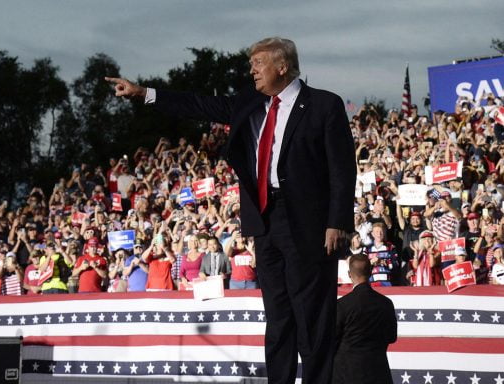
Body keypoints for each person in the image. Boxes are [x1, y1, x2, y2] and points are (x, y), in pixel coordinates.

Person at [107, 37, 355, 383]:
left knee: (312, 317)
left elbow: (343, 169)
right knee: (279, 317)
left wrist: (338, 222)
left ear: (282, 67)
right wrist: (144, 92)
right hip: (265, 221)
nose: (251, 70)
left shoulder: (324, 105)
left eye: (258, 63)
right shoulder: (250, 102)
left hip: (309, 224)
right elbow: (200, 104)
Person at [333, 253, 397, 384]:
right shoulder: (386, 303)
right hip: (378, 372)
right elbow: (391, 336)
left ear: (349, 274)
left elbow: (332, 339)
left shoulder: (342, 305)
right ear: (371, 272)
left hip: (346, 374)